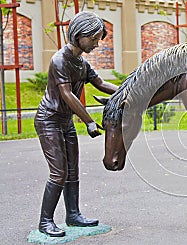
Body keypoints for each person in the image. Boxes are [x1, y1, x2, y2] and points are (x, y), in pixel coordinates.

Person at [34, 11, 118, 237]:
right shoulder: (60, 60)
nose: (97, 44)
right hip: (49, 120)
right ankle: (45, 221)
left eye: (98, 39)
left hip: (65, 122)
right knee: (58, 173)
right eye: (93, 39)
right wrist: (89, 121)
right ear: (79, 35)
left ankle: (73, 215)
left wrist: (126, 91)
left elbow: (100, 83)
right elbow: (67, 95)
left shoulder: (81, 63)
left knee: (73, 171)